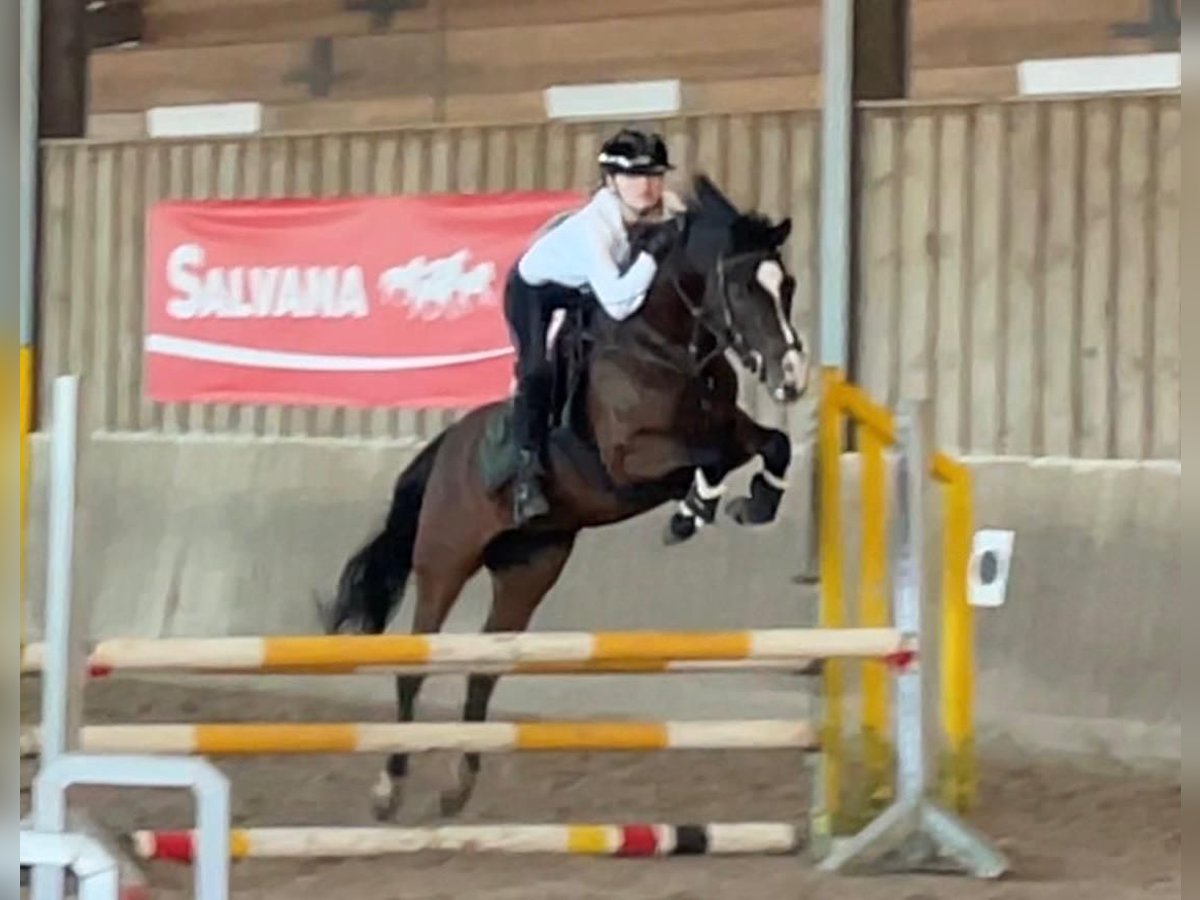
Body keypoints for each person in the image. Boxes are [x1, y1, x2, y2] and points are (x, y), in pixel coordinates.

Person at [503, 127, 684, 526]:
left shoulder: (669, 209)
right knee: (537, 370)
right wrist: (651, 256)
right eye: (634, 176)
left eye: (655, 175)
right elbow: (619, 303)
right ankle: (526, 474)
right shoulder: (594, 227)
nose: (648, 186)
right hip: (536, 292)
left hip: (586, 290)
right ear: (610, 181)